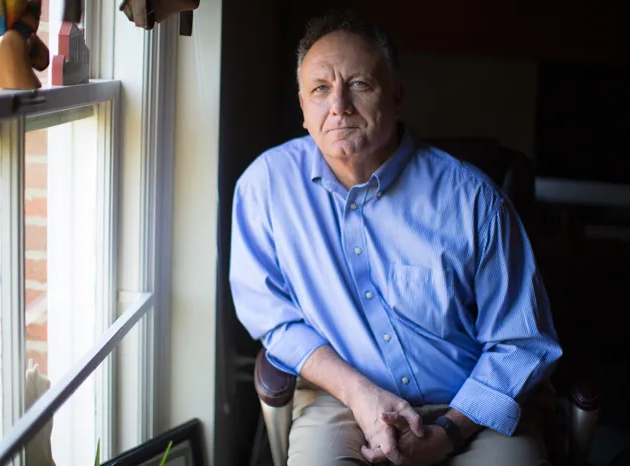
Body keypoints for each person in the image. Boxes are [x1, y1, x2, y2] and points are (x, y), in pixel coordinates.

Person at [229, 9, 563, 466]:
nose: (339, 106)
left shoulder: (474, 200)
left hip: (469, 404)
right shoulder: (264, 187)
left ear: (398, 95)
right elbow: (271, 316)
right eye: (321, 90)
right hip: (341, 402)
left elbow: (522, 342)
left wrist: (447, 433)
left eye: (360, 85)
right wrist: (359, 394)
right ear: (303, 108)